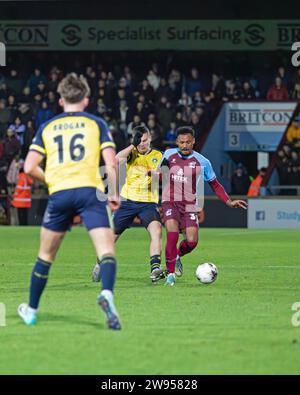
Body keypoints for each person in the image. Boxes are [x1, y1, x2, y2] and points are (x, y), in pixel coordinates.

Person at [18, 73, 122, 330]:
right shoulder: (97, 124)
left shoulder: (48, 126)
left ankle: (31, 311)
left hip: (60, 193)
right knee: (106, 251)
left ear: (61, 100)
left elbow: (29, 166)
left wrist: (52, 181)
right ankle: (106, 294)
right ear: (86, 99)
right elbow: (111, 161)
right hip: (89, 191)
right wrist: (114, 192)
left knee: (45, 255)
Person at [158, 126, 247, 286]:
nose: (184, 145)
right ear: (177, 142)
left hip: (189, 204)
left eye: (187, 142)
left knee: (192, 242)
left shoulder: (203, 161)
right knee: (172, 234)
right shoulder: (168, 155)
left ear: (193, 142)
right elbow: (160, 175)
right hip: (169, 200)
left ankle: (176, 255)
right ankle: (170, 275)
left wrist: (229, 201)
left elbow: (215, 184)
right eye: (181, 142)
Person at [92, 125, 163, 283]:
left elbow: (163, 173)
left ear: (150, 138)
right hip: (128, 201)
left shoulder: (158, 155)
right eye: (139, 140)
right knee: (111, 238)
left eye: (145, 140)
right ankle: (99, 265)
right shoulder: (132, 153)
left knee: (156, 230)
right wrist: (133, 144)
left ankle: (155, 268)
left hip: (148, 202)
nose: (142, 143)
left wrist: (156, 174)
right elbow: (117, 159)